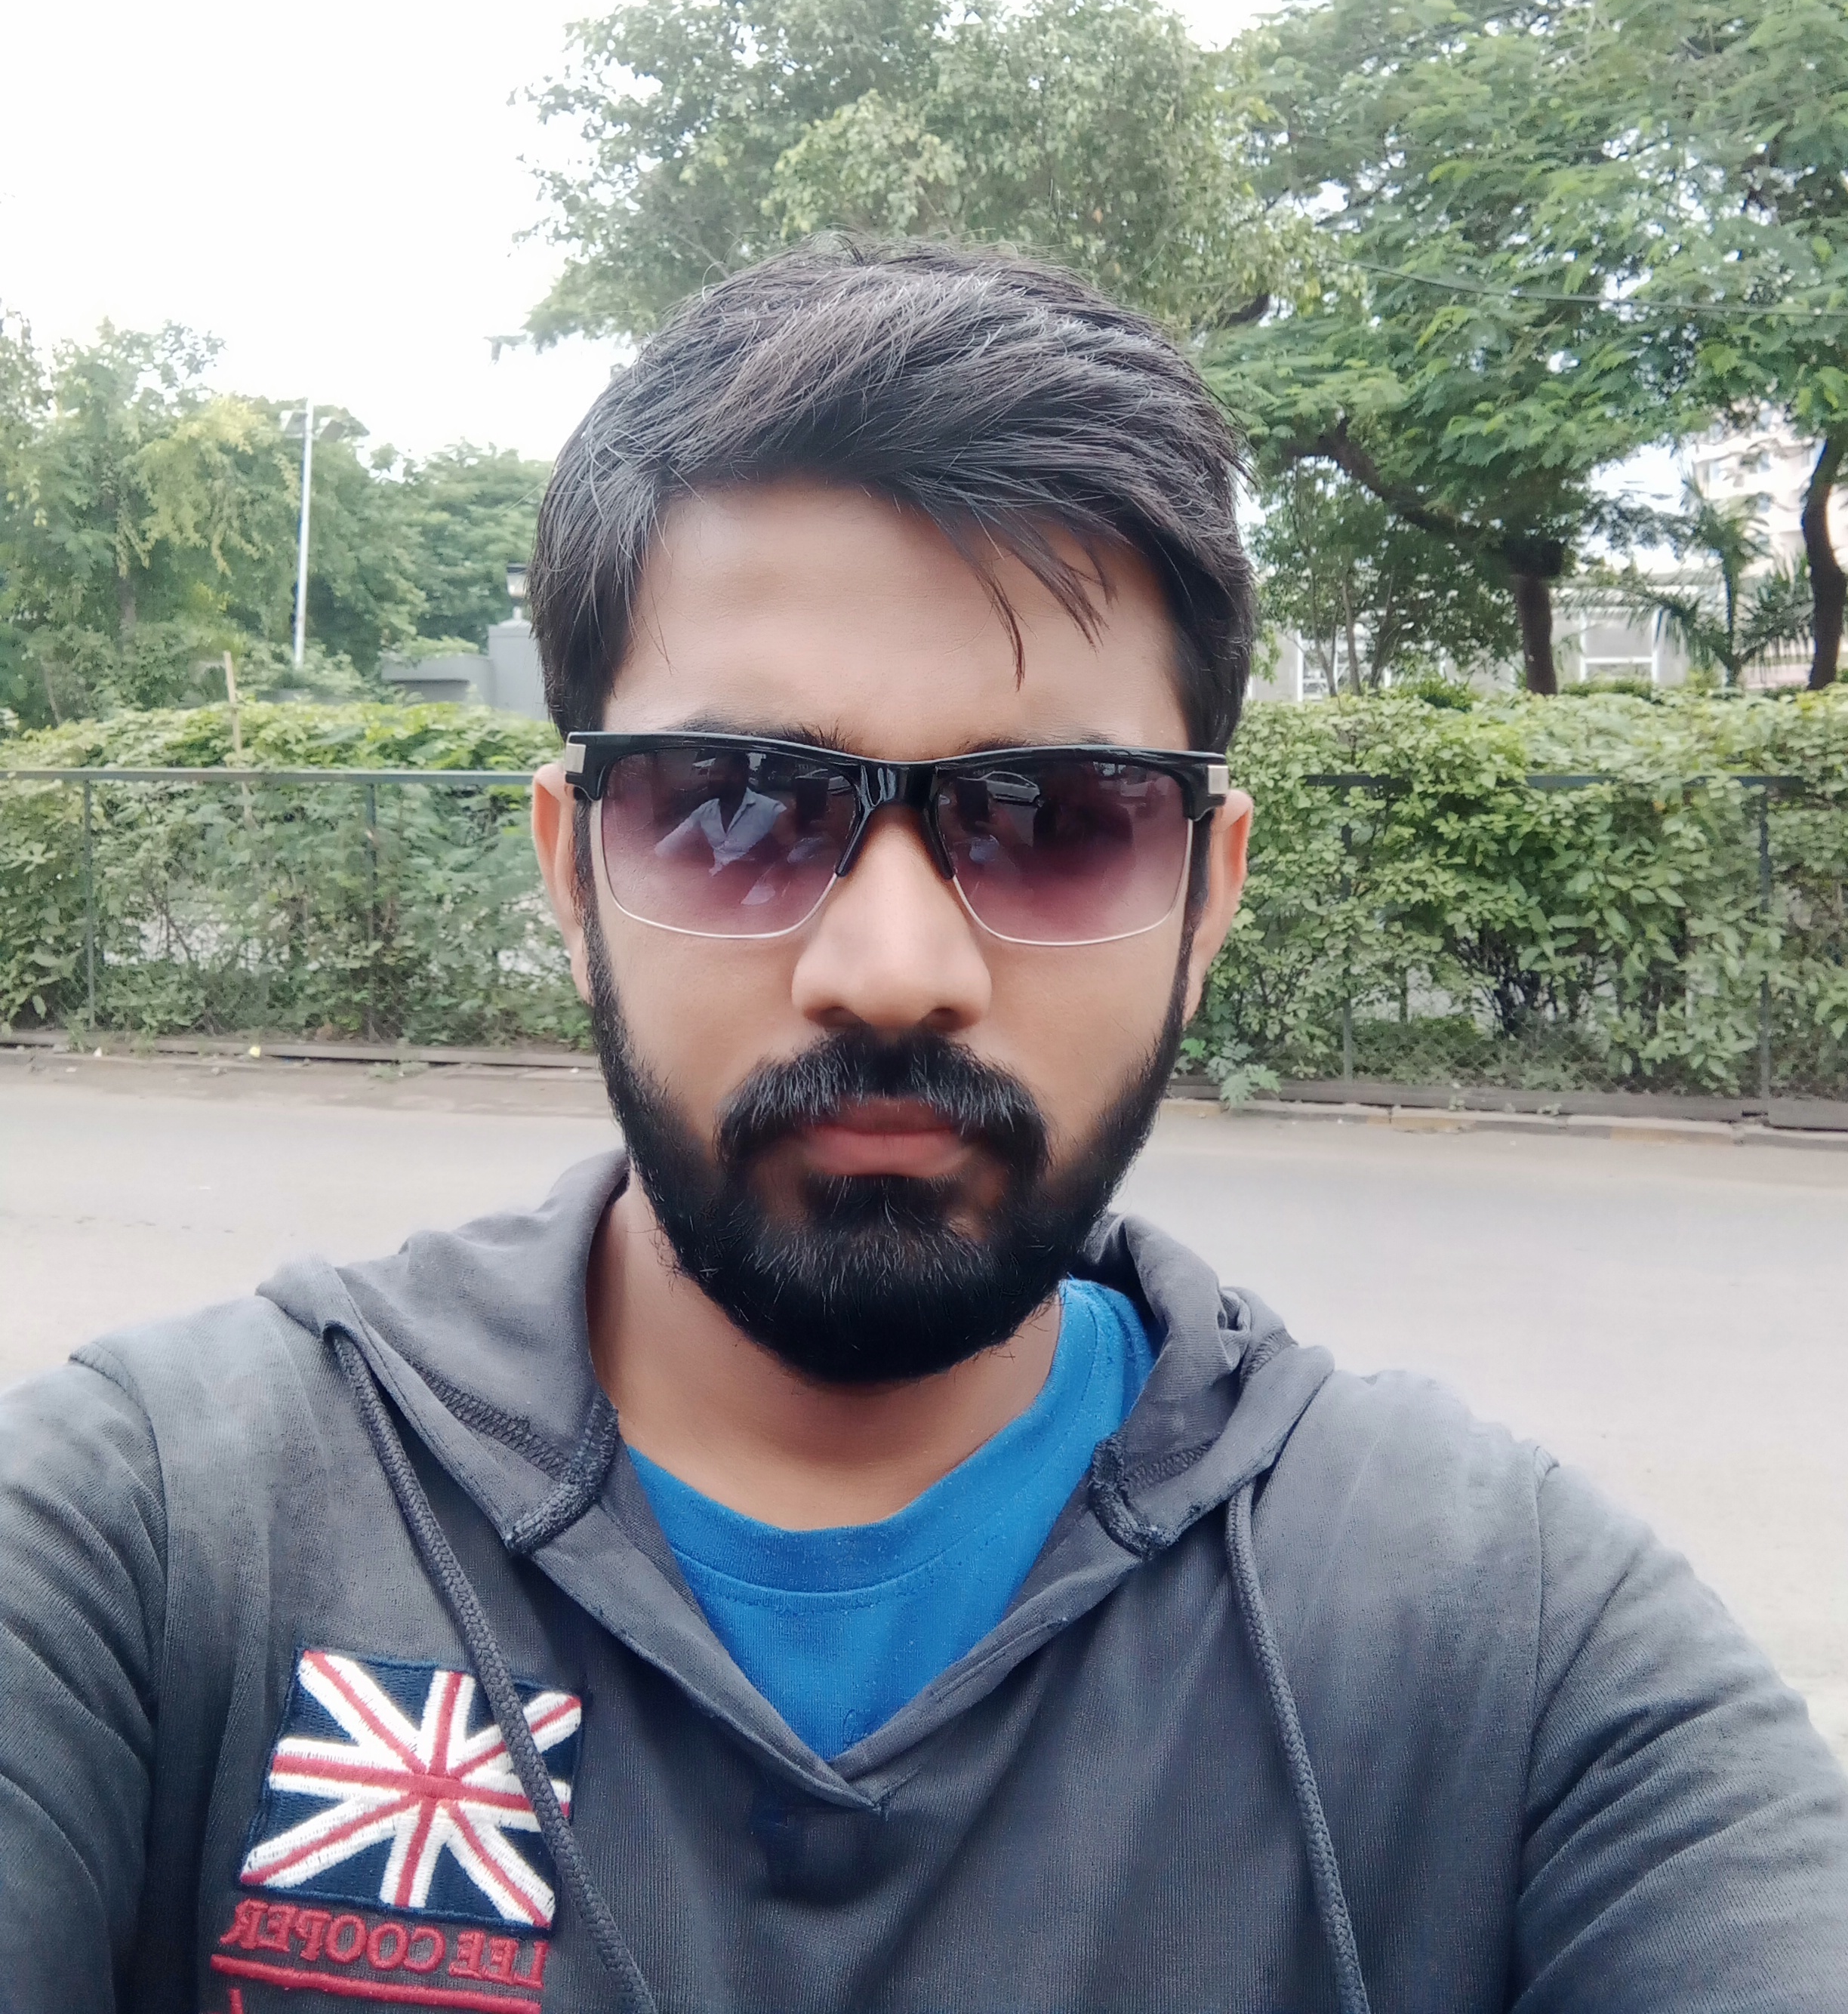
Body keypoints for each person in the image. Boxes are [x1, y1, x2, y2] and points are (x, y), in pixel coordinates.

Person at [2, 243, 1843, 2014]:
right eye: (738, 804)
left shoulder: (1501, 1636)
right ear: (571, 876)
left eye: (1056, 817)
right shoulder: (153, 1538)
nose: (892, 971)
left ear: (1208, 894)